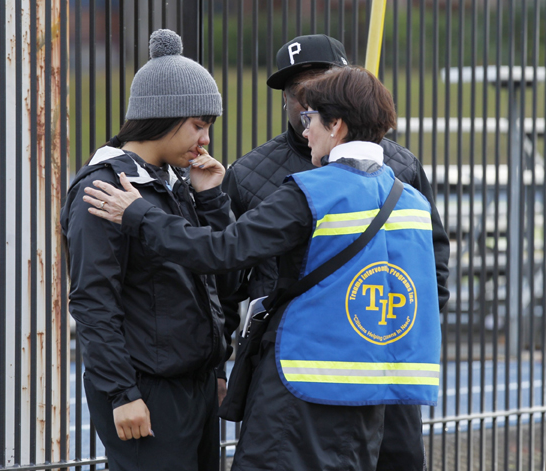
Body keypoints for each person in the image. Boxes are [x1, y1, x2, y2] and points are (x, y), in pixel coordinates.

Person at [82, 65, 442, 471]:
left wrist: (139, 215)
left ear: (336, 126)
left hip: (302, 390)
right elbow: (433, 287)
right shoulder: (410, 199)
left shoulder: (313, 190)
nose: (305, 132)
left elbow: (222, 251)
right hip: (379, 395)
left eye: (312, 119)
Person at [221, 34, 450, 471]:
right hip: (294, 374)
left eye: (319, 85)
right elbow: (225, 279)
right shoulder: (249, 175)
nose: (306, 100)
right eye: (296, 92)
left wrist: (400, 326)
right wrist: (219, 366)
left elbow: (432, 261)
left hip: (383, 370)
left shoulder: (399, 167)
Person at [60, 29, 235, 471]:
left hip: (193, 386)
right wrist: (122, 393)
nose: (206, 140)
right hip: (146, 390)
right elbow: (93, 300)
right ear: (163, 115)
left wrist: (214, 370)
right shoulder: (104, 188)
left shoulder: (176, 183)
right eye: (199, 124)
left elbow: (212, 275)